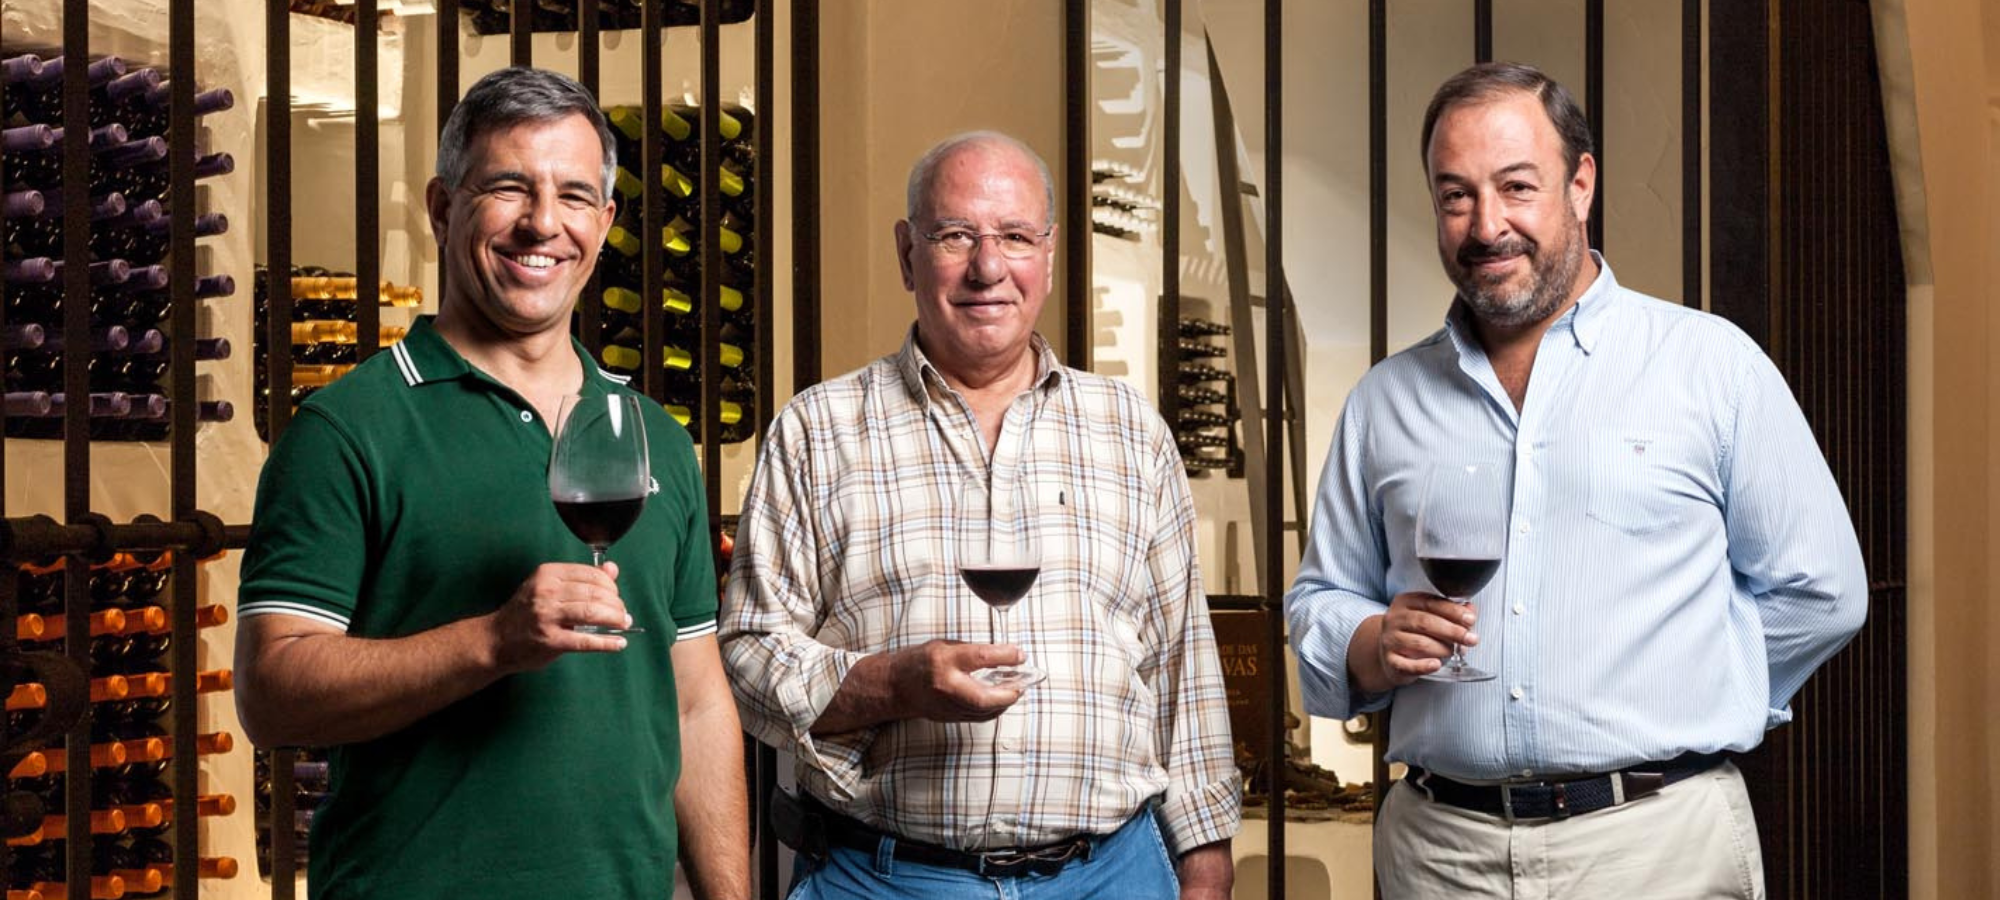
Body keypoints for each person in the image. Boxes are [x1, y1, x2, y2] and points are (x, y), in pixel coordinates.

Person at [1284, 61, 1868, 898]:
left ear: (1581, 184)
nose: (1487, 225)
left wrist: (1691, 677)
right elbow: (1320, 600)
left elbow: (1826, 591)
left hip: (1658, 850)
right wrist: (1370, 646)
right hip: (1440, 856)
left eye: (1517, 187)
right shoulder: (1384, 402)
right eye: (1456, 195)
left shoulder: (1711, 366)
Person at [234, 66, 747, 900]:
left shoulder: (654, 438)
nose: (543, 223)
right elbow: (272, 695)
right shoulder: (346, 429)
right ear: (443, 208)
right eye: (509, 187)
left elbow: (694, 704)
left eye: (575, 195)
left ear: (606, 221)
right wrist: (492, 643)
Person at [719, 132, 1240, 899]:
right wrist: (890, 684)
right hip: (884, 878)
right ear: (907, 253)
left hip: (1112, 877)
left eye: (1015, 238)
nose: (987, 267)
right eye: (955, 235)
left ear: (1050, 255)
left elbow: (1182, 668)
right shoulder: (817, 430)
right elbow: (749, 656)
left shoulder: (1132, 431)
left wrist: (1204, 862)